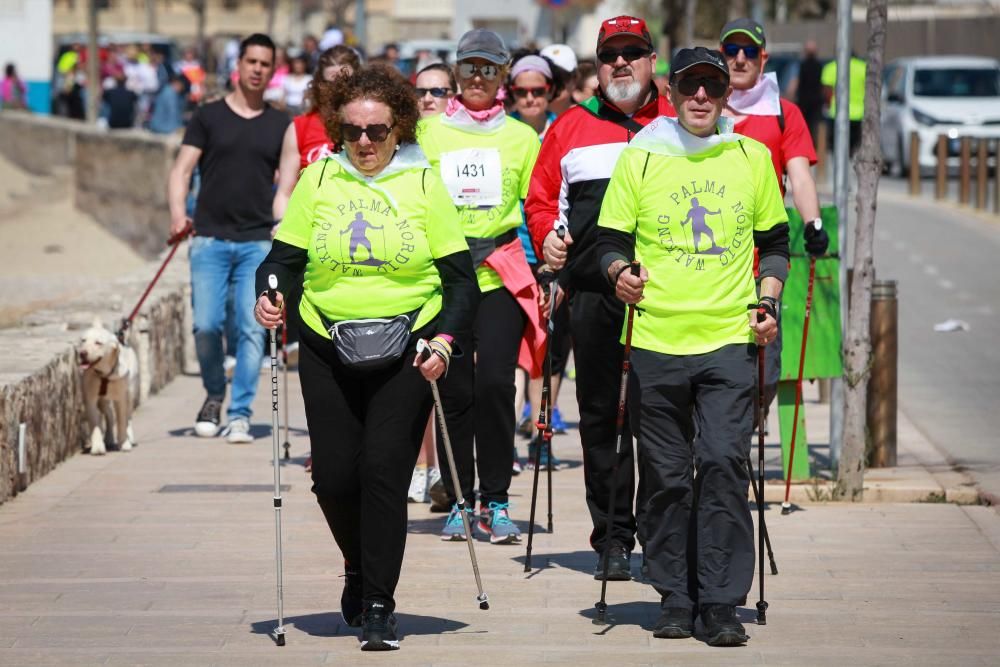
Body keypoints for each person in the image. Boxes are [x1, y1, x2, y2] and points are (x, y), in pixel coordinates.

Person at [254, 64, 477, 651]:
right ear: (339, 130)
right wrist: (269, 294)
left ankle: (379, 600)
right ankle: (357, 565)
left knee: (382, 471)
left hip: (407, 346)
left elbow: (461, 283)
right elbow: (281, 260)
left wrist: (444, 343)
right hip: (327, 344)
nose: (366, 142)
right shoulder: (319, 179)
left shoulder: (424, 183)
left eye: (377, 130)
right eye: (353, 131)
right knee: (333, 477)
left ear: (399, 127)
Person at [594, 46, 789, 646]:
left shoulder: (750, 156)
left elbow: (776, 241)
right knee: (667, 474)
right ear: (672, 93)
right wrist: (618, 271)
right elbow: (607, 240)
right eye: (690, 87)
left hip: (730, 339)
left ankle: (722, 601)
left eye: (713, 85)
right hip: (655, 339)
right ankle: (676, 595)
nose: (702, 97)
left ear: (726, 93)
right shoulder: (642, 157)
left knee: (726, 462)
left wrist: (769, 301)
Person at [526, 14, 673, 581]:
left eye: (632, 52)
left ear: (651, 61)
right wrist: (549, 241)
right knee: (600, 422)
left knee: (662, 422)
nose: (620, 63)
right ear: (597, 63)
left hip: (671, 300)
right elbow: (540, 200)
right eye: (610, 54)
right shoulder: (570, 127)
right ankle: (612, 536)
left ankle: (663, 539)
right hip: (593, 296)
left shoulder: (680, 121)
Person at [418, 28, 544, 545]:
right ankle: (459, 499)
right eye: (469, 67)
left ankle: (496, 499)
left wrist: (552, 267)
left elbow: (537, 204)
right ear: (455, 72)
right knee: (453, 389)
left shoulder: (521, 137)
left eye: (488, 68)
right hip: (446, 274)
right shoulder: (428, 134)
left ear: (503, 75)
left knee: (495, 385)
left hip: (498, 269)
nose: (477, 77)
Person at [167, 33, 291, 443]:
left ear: (272, 71)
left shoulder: (280, 124)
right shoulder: (208, 117)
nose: (257, 69)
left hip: (257, 240)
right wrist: (178, 215)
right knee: (206, 326)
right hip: (209, 239)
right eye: (251, 61)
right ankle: (214, 394)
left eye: (264, 64)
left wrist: (284, 226)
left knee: (254, 328)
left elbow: (286, 184)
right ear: (238, 65)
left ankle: (239, 413)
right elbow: (182, 170)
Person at [719, 18, 830, 420]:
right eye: (732, 51)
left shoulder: (784, 114)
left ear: (763, 58)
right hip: (707, 263)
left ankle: (736, 441)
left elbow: (799, 174)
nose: (740, 58)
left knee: (763, 370)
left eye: (749, 51)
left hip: (762, 264)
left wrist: (813, 223)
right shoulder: (701, 108)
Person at [409, 60, 458, 507]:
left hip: (462, 265)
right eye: (421, 91)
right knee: (422, 369)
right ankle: (423, 466)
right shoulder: (404, 140)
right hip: (421, 269)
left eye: (439, 92)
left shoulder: (464, 139)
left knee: (456, 376)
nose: (428, 99)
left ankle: (447, 469)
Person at [821, 52, 866, 154]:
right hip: (858, 114)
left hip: (836, 113)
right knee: (854, 146)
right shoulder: (863, 67)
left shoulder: (831, 67)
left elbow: (828, 91)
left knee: (835, 146)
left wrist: (827, 105)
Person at [795, 39, 824, 148]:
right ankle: (813, 147)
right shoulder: (819, 66)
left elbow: (798, 82)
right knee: (814, 126)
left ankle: (805, 145)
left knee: (805, 126)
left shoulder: (803, 65)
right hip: (815, 101)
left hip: (805, 101)